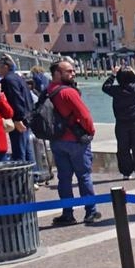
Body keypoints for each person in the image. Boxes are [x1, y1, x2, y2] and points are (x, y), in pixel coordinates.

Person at [45, 60, 100, 226]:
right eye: (68, 71)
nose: (73, 73)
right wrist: (90, 131)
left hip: (57, 139)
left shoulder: (48, 91)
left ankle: (68, 213)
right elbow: (85, 115)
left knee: (64, 178)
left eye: (73, 70)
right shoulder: (68, 92)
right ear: (57, 73)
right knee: (84, 176)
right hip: (75, 140)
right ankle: (90, 211)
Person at [102, 66, 135, 179]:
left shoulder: (116, 90)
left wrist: (113, 75)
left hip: (121, 122)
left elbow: (105, 87)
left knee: (123, 148)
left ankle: (126, 172)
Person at [0, 55, 36, 176]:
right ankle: (33, 176)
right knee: (27, 149)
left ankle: (23, 179)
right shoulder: (18, 78)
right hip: (27, 116)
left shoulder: (8, 80)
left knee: (19, 151)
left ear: (5, 67)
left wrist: (18, 119)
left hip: (19, 119)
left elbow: (16, 99)